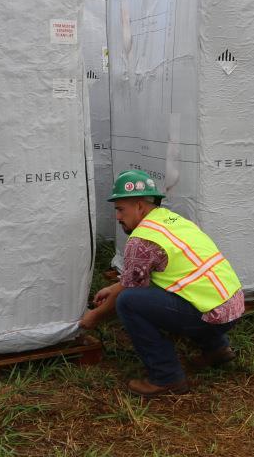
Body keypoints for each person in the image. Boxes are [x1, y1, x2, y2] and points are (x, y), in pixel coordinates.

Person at [80, 170, 244, 397]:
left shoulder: (141, 240)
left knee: (128, 303)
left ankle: (166, 378)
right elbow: (136, 277)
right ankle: (217, 349)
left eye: (120, 209)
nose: (117, 217)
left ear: (139, 206)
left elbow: (130, 290)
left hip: (210, 315)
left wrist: (94, 317)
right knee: (172, 293)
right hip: (232, 304)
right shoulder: (171, 220)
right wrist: (114, 287)